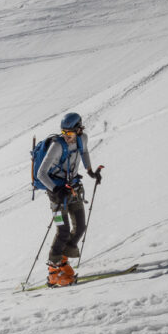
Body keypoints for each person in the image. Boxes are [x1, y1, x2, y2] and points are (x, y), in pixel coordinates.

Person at [36, 112, 102, 287]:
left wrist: (90, 171)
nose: (67, 138)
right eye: (64, 134)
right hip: (56, 193)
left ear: (79, 130)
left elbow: (85, 152)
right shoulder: (57, 147)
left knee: (80, 227)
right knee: (63, 230)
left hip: (73, 189)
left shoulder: (83, 139)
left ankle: (63, 262)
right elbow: (40, 174)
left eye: (70, 134)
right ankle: (53, 273)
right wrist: (56, 190)